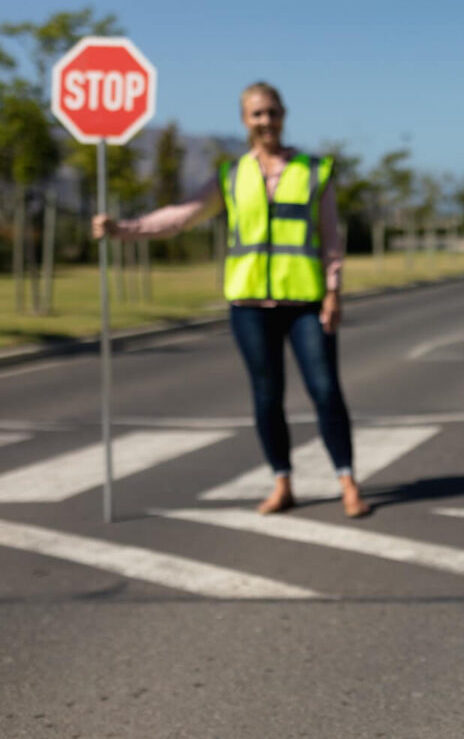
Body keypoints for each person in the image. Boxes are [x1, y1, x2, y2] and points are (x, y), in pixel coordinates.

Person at [92, 82, 370, 518]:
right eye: (257, 114)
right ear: (245, 120)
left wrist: (334, 291)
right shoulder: (231, 175)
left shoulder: (314, 170)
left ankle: (347, 481)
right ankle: (282, 482)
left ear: (284, 115)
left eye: (272, 112)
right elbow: (182, 216)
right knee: (266, 396)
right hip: (249, 305)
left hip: (305, 301)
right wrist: (123, 229)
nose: (266, 121)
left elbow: (331, 237)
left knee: (325, 390)